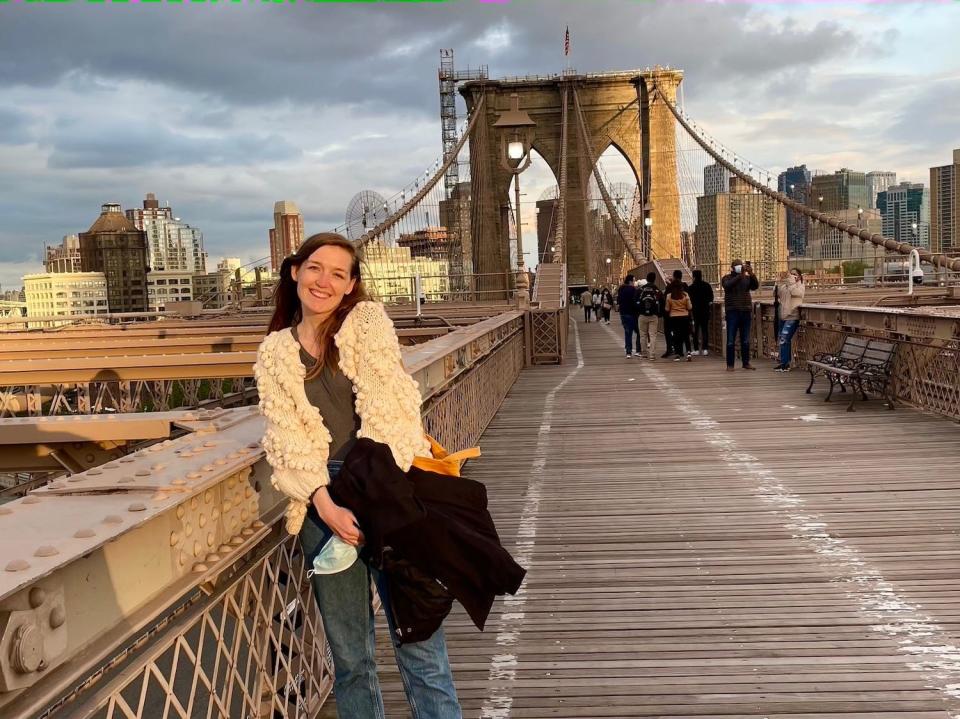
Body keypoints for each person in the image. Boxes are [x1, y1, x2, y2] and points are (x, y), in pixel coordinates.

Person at [253, 233, 462, 719]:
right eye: (314, 268)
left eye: (338, 273)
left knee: (421, 645)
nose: (323, 281)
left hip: (385, 487)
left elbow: (394, 411)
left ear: (351, 286)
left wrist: (371, 498)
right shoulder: (274, 352)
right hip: (321, 504)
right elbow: (287, 440)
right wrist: (325, 504)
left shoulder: (367, 324)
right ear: (294, 273)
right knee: (350, 660)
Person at [722, 258, 759, 371]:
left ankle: (746, 362)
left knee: (746, 339)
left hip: (745, 310)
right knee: (730, 340)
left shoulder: (747, 278)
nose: (740, 267)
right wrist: (740, 275)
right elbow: (728, 286)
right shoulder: (726, 278)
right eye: (737, 266)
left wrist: (751, 273)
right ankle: (730, 365)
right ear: (732, 268)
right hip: (732, 311)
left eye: (741, 266)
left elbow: (755, 286)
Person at [774, 268, 805, 372]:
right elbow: (776, 294)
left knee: (784, 339)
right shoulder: (785, 286)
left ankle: (785, 364)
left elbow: (797, 293)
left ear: (799, 276)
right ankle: (783, 362)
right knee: (782, 339)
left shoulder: (800, 286)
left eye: (794, 274)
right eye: (790, 274)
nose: (792, 276)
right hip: (782, 316)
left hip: (792, 316)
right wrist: (779, 281)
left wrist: (791, 283)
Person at [636, 272, 663, 361]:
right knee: (653, 335)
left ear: (647, 279)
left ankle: (644, 353)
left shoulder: (641, 290)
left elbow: (635, 301)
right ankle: (652, 354)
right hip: (653, 315)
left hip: (642, 315)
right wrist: (659, 314)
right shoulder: (657, 290)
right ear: (654, 279)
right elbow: (662, 302)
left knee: (643, 335)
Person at [664, 281, 693, 361]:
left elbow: (667, 308)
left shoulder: (669, 296)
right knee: (686, 336)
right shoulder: (685, 295)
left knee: (677, 336)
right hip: (684, 317)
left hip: (674, 318)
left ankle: (678, 354)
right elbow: (690, 307)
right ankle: (689, 352)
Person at [687, 269, 714, 355]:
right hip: (705, 310)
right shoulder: (707, 286)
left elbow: (688, 300)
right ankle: (705, 349)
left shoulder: (691, 288)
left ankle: (696, 349)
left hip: (695, 311)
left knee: (696, 330)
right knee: (705, 329)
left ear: (694, 277)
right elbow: (711, 297)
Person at [615, 274, 640, 358]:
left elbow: (618, 301)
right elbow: (635, 301)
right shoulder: (633, 289)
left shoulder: (621, 289)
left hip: (623, 313)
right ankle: (638, 350)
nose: (634, 282)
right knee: (640, 332)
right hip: (632, 314)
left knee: (628, 333)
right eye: (634, 280)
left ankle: (628, 352)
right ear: (630, 281)